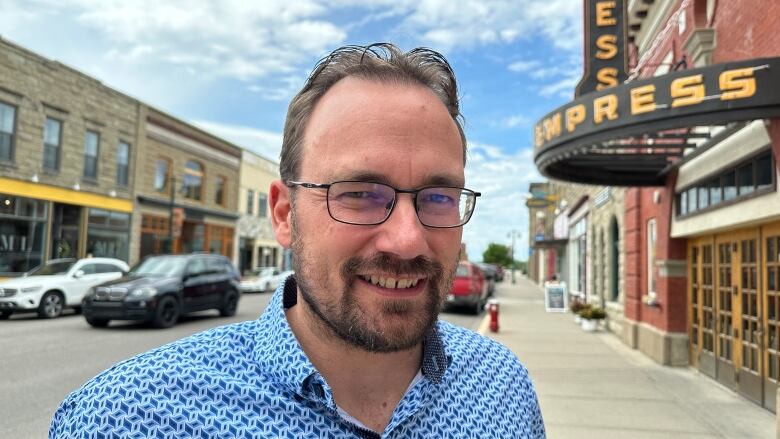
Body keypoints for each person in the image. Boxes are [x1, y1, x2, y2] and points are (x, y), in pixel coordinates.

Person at [50, 43, 545, 438]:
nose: (408, 239)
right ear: (285, 215)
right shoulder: (126, 420)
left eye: (438, 197)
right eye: (359, 194)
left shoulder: (501, 385)